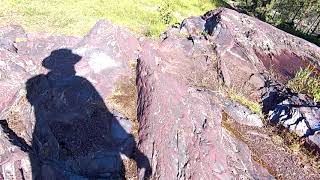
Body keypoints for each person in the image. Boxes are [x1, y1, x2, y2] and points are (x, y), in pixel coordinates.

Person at [25, 48, 150, 179]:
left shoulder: (82, 84)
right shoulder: (45, 88)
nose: (70, 68)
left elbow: (101, 113)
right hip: (66, 147)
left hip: (89, 142)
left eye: (70, 64)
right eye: (66, 64)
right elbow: (44, 122)